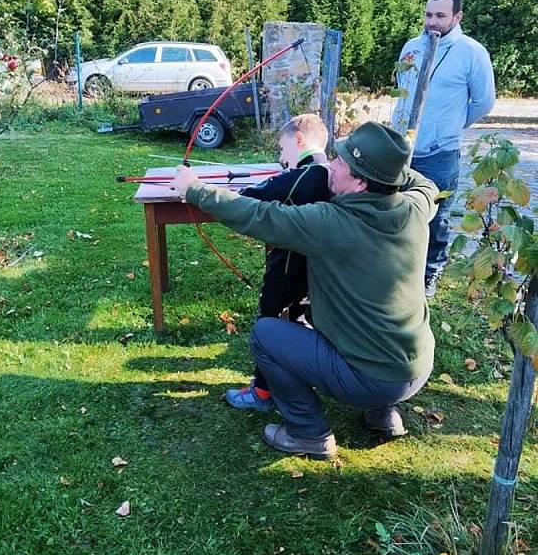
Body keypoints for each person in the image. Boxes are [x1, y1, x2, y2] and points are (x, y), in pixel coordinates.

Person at [171, 122, 438, 459]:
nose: (331, 164)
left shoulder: (330, 223)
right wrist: (389, 165)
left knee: (266, 335)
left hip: (373, 376)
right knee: (353, 334)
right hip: (417, 367)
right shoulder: (415, 208)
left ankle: (310, 433)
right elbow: (426, 184)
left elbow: (257, 214)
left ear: (359, 181)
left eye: (340, 162)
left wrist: (194, 188)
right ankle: (383, 412)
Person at [225, 113, 332, 412]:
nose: (283, 158)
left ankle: (261, 393)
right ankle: (297, 380)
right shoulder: (332, 173)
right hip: (322, 274)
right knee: (303, 325)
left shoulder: (306, 175)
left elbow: (250, 197)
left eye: (284, 151)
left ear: (299, 140)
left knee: (269, 325)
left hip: (289, 272)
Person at [392, 0, 496, 298]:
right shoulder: (411, 47)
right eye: (428, 14)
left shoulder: (472, 52)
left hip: (440, 153)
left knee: (436, 218)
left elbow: (483, 101)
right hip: (402, 149)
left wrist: (449, 126)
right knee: (395, 208)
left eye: (440, 16)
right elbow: (402, 88)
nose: (432, 22)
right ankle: (397, 267)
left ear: (457, 17)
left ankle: (429, 273)